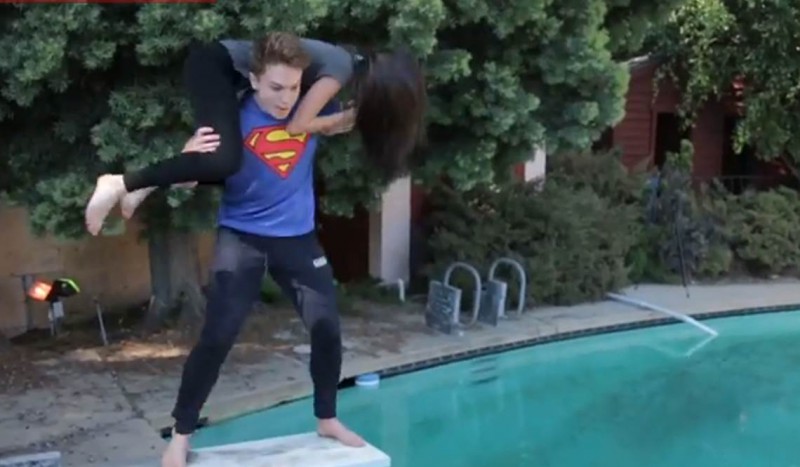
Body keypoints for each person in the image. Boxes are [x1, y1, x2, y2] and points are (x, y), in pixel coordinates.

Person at [160, 32, 365, 467]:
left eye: (294, 87)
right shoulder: (230, 117)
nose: (286, 98)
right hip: (242, 239)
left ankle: (327, 418)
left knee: (327, 328)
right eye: (275, 87)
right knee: (217, 336)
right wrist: (186, 159)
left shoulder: (314, 109)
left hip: (298, 240)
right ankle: (181, 434)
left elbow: (354, 115)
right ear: (253, 80)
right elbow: (190, 178)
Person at [84, 32, 427, 236]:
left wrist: (335, 119)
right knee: (224, 161)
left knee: (237, 163)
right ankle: (119, 183)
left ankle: (145, 185)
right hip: (215, 67)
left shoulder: (344, 71)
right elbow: (297, 126)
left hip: (235, 79)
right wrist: (337, 122)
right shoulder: (340, 69)